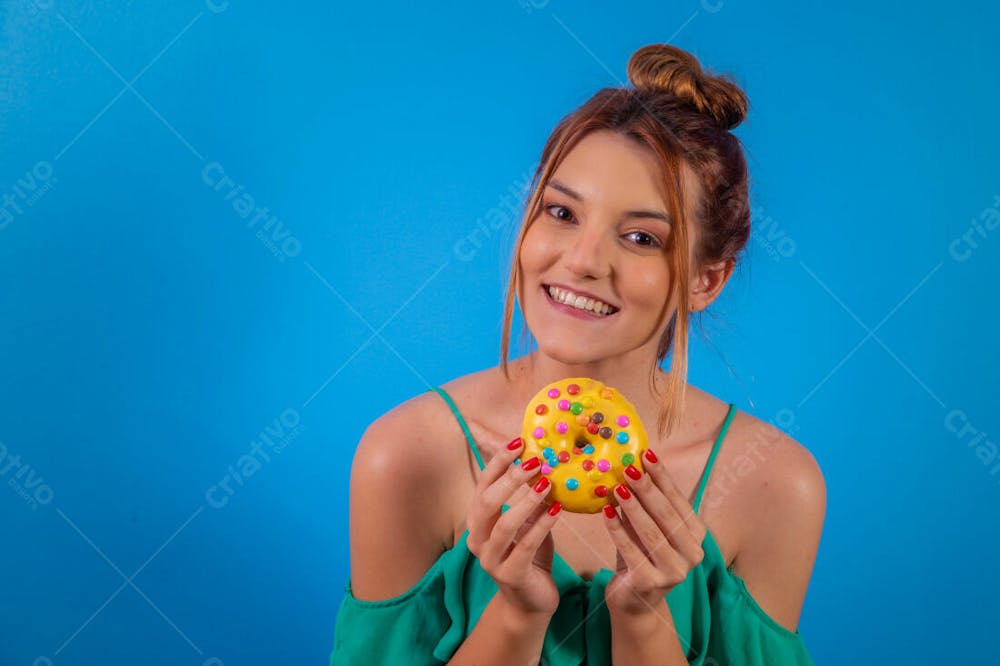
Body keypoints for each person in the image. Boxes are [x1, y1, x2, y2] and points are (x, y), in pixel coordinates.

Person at [329, 43, 825, 665]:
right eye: (561, 212)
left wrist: (643, 620)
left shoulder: (775, 485)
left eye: (642, 237)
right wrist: (516, 613)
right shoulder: (404, 457)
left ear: (707, 279)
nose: (584, 260)